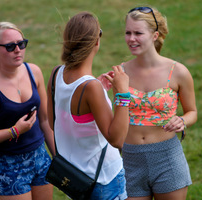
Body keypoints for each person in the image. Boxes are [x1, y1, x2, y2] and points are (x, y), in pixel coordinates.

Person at [46, 11, 130, 200]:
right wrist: (122, 94)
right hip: (105, 180)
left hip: (78, 179)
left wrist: (97, 94)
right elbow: (117, 140)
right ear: (96, 42)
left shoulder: (56, 74)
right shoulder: (90, 88)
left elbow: (54, 123)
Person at [0, 20, 55, 200]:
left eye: (21, 44)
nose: (17, 50)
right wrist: (14, 131)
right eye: (10, 46)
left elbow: (45, 120)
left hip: (40, 157)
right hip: (8, 166)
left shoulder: (34, 72)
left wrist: (58, 158)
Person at [117, 6, 197, 200]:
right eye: (128, 32)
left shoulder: (178, 72)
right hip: (129, 159)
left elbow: (192, 111)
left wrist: (182, 121)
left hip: (167, 158)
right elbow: (117, 118)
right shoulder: (120, 72)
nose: (131, 38)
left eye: (138, 33)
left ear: (155, 35)